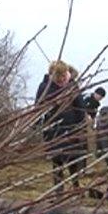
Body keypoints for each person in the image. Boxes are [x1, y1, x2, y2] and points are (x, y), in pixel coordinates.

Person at [36, 61, 87, 190]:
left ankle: (75, 186)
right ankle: (58, 189)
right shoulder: (45, 87)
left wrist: (80, 126)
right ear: (52, 75)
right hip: (53, 129)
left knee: (72, 158)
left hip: (71, 128)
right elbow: (38, 107)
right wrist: (53, 102)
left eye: (64, 76)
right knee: (57, 160)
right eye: (59, 77)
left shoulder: (72, 85)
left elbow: (80, 106)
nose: (62, 79)